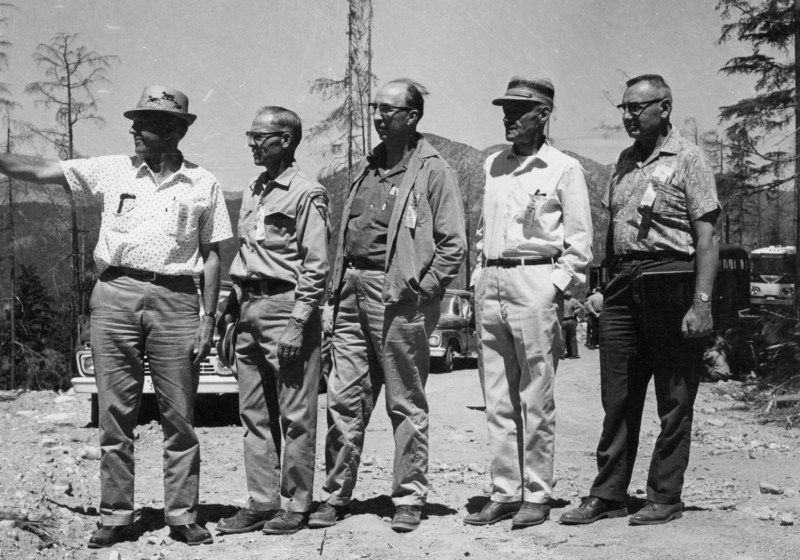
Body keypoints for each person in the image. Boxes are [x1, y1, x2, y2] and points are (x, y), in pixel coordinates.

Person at [0, 86, 233, 547]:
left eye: (144, 122)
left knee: (179, 414)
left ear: (172, 129)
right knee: (115, 411)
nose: (133, 130)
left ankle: (182, 514)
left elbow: (211, 255)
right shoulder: (113, 169)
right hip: (114, 295)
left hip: (177, 300)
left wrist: (208, 316)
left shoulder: (203, 183)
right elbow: (43, 170)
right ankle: (116, 514)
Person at [560, 74, 720, 526]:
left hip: (671, 279)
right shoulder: (624, 161)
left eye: (637, 107)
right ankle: (608, 494)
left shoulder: (689, 158)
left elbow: (707, 237)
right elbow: (616, 230)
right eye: (624, 108)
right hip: (622, 284)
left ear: (664, 107)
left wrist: (701, 302)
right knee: (618, 396)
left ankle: (665, 496)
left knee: (674, 398)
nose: (628, 116)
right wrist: (601, 286)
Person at [310, 79, 466, 533]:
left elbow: (453, 245)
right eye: (375, 108)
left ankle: (409, 497)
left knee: (405, 401)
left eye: (388, 109)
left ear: (412, 117)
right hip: (351, 291)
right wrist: (336, 292)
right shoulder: (367, 167)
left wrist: (422, 289)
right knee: (344, 399)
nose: (378, 116)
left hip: (399, 295)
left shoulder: (434, 170)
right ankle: (335, 494)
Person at [464, 76, 593, 528]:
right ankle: (505, 491)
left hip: (534, 280)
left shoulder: (563, 168)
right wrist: (479, 274)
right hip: (492, 281)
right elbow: (484, 229)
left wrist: (553, 287)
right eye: (506, 109)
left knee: (535, 395)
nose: (509, 117)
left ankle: (537, 493)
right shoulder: (493, 165)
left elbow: (580, 243)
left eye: (519, 110)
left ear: (543, 114)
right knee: (497, 397)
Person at [216, 107, 329, 536]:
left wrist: (299, 322)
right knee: (253, 413)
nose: (252, 143)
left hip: (287, 307)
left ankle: (297, 504)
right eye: (250, 135)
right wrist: (232, 306)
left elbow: (316, 265)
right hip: (249, 307)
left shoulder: (306, 193)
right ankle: (262, 502)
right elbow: (249, 252)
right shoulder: (253, 189)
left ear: (285, 140)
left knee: (295, 413)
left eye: (259, 136)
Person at [561, 290, 582, 359]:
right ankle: (574, 354)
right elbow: (581, 307)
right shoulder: (572, 302)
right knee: (572, 338)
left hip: (563, 321)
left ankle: (562, 354)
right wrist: (575, 311)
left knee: (563, 338)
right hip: (571, 320)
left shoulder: (560, 302)